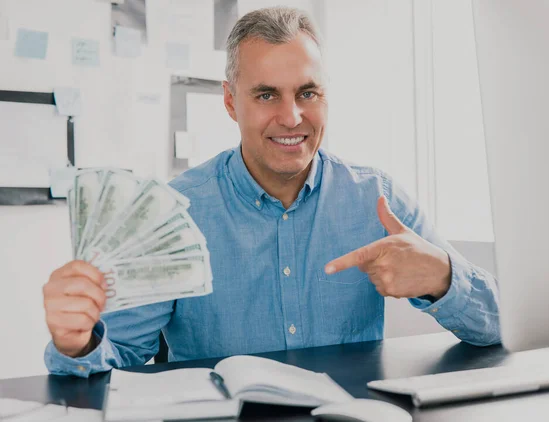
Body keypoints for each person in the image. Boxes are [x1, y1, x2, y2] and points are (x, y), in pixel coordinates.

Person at [43, 7, 500, 377]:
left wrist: (443, 277)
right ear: (229, 101)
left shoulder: (376, 199)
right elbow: (118, 352)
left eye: (307, 93)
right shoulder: (175, 212)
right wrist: (76, 340)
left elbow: (502, 325)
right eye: (266, 95)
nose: (292, 117)